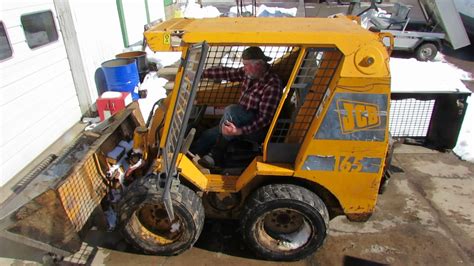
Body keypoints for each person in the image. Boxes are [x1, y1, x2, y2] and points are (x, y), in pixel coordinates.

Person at [191, 46, 282, 169]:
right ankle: (189, 159)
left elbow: (264, 119)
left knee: (232, 110)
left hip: (255, 130)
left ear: (259, 64)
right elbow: (227, 73)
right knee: (207, 135)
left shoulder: (272, 84)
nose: (244, 68)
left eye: (246, 65)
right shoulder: (250, 74)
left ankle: (215, 155)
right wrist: (201, 74)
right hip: (237, 121)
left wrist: (239, 131)